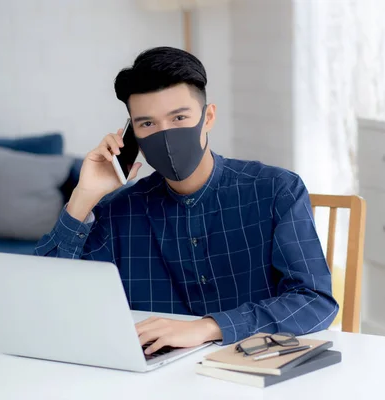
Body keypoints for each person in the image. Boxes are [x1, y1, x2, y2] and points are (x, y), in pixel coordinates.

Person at [34, 46, 338, 355]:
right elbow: (47, 300)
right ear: (131, 135)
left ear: (208, 117)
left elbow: (315, 301)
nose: (165, 135)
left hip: (250, 368)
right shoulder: (119, 211)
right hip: (151, 377)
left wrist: (208, 327)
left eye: (179, 117)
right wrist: (84, 196)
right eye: (147, 124)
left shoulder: (275, 190)